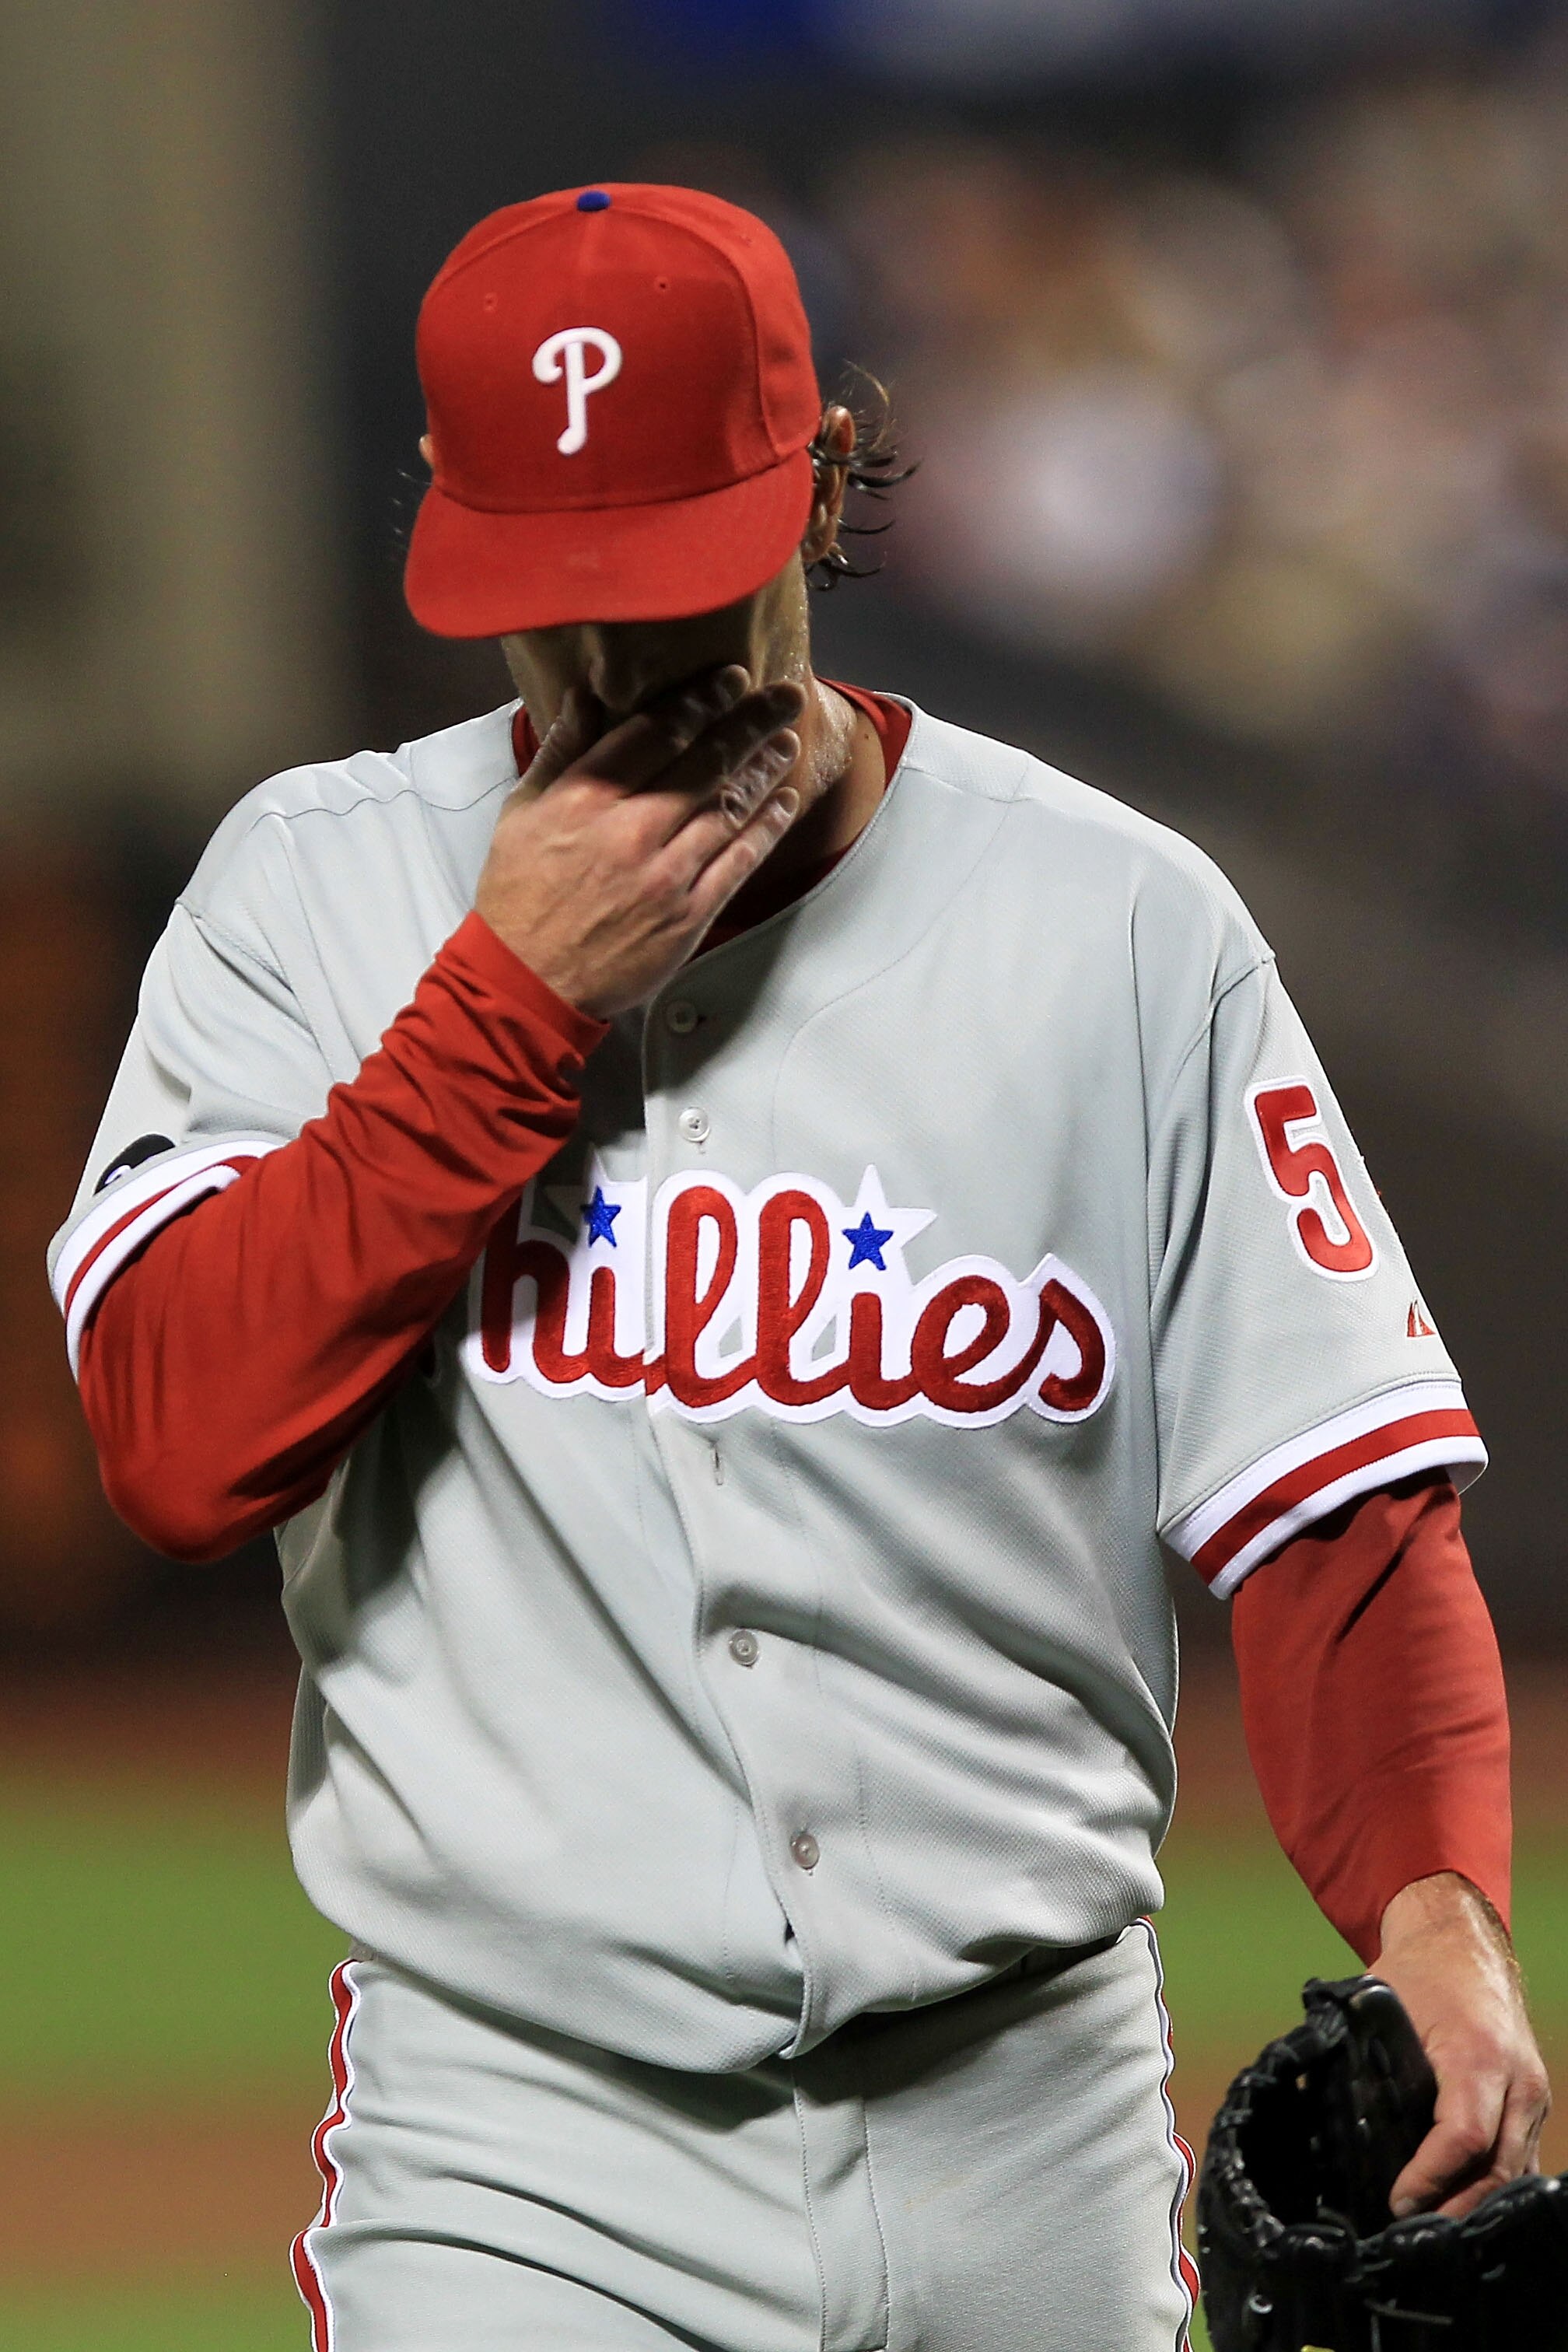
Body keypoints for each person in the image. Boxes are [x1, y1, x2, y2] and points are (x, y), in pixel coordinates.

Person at [50, 184, 1547, 2352]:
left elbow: (1337, 1497)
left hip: (1025, 2122)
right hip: (522, 2155)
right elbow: (179, 1438)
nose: (620, 661)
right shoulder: (314, 895)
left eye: (668, 579)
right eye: (551, 596)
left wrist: (1441, 1913)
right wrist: (499, 1010)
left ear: (826, 485)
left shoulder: (1115, 925)